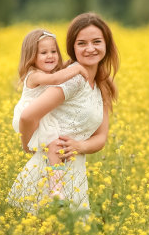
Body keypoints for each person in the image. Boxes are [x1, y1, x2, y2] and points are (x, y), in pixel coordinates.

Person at [7, 12, 119, 214]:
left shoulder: (103, 85)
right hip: (48, 175)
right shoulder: (72, 79)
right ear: (72, 48)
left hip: (75, 174)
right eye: (82, 43)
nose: (90, 48)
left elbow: (101, 137)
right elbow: (28, 115)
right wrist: (27, 146)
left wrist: (79, 145)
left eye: (96, 41)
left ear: (107, 44)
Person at [11, 29, 89, 199]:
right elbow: (56, 80)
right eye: (44, 52)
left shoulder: (49, 72)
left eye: (54, 51)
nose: (50, 56)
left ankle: (54, 188)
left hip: (42, 118)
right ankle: (56, 190)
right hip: (32, 119)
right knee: (54, 146)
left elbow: (60, 72)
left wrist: (73, 63)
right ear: (31, 56)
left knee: (55, 149)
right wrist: (78, 69)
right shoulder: (34, 75)